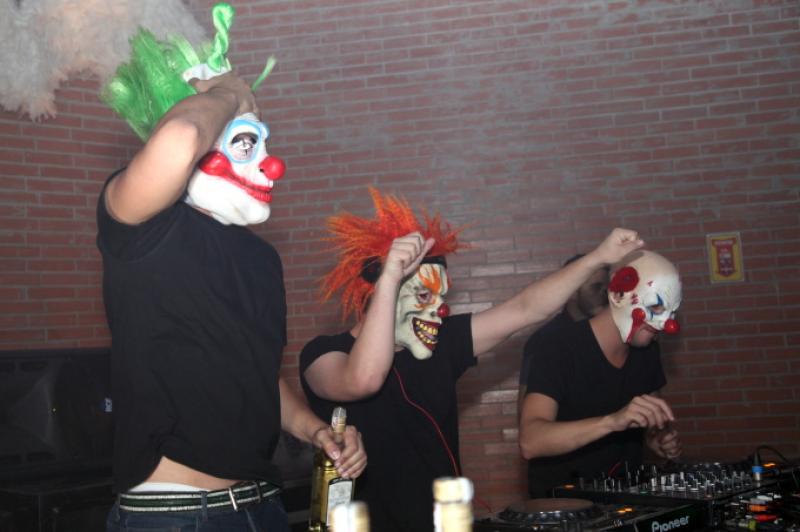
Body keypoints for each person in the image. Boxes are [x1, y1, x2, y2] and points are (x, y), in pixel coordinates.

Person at [95, 6, 366, 531]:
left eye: (263, 142)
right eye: (245, 142)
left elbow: (256, 375)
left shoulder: (261, 258)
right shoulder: (141, 225)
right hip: (176, 517)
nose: (271, 163)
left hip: (261, 506)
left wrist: (314, 430)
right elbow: (179, 139)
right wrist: (229, 92)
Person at [299, 188, 645, 532]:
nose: (440, 309)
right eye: (424, 294)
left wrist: (597, 257)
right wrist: (390, 276)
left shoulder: (443, 343)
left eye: (441, 297)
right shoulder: (324, 354)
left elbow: (525, 309)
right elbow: (363, 379)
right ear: (379, 293)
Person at [519, 250, 683, 498]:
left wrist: (657, 437)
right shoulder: (556, 347)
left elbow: (651, 420)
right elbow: (530, 441)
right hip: (564, 504)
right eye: (655, 306)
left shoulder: (647, 348)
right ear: (618, 296)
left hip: (627, 499)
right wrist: (612, 422)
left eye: (672, 312)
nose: (666, 323)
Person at [518, 254, 609, 411]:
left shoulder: (618, 333)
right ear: (571, 292)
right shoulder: (544, 341)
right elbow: (526, 411)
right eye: (596, 287)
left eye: (608, 288)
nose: (605, 294)